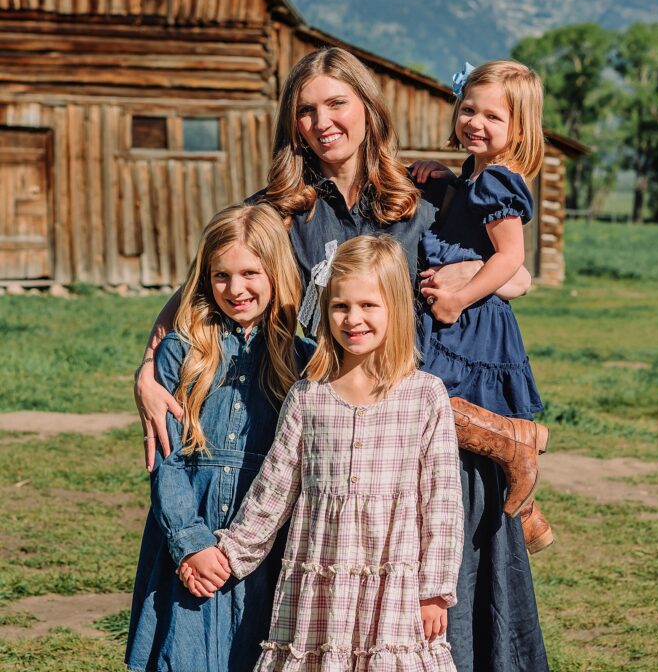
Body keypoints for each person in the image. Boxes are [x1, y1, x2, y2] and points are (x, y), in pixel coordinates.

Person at [134, 47, 544, 671]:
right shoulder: (279, 211)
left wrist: (469, 279)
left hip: (419, 445)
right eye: (306, 110)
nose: (322, 121)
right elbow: (200, 293)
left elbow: (511, 274)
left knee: (435, 625)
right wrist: (147, 369)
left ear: (368, 109)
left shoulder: (424, 196)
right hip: (319, 441)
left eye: (336, 103)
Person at [181, 235, 464, 671]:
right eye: (340, 306)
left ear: (395, 308)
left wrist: (434, 591)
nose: (353, 319)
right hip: (319, 588)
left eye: (369, 305)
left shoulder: (424, 396)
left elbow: (442, 504)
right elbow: (273, 490)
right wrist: (225, 555)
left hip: (395, 593)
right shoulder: (308, 397)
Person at [125, 203, 312, 672]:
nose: (235, 289)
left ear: (276, 271)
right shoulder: (182, 351)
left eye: (250, 273)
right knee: (185, 655)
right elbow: (165, 460)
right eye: (221, 276)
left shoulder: (304, 359)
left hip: (266, 542)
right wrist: (191, 542)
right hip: (190, 531)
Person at [418, 60, 551, 671]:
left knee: (442, 417)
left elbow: (511, 259)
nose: (475, 121)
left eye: (492, 115)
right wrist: (444, 183)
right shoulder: (474, 177)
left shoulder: (499, 181)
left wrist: (460, 295)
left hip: (470, 326)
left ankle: (516, 461)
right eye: (469, 109)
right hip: (459, 320)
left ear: (518, 128)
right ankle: (525, 508)